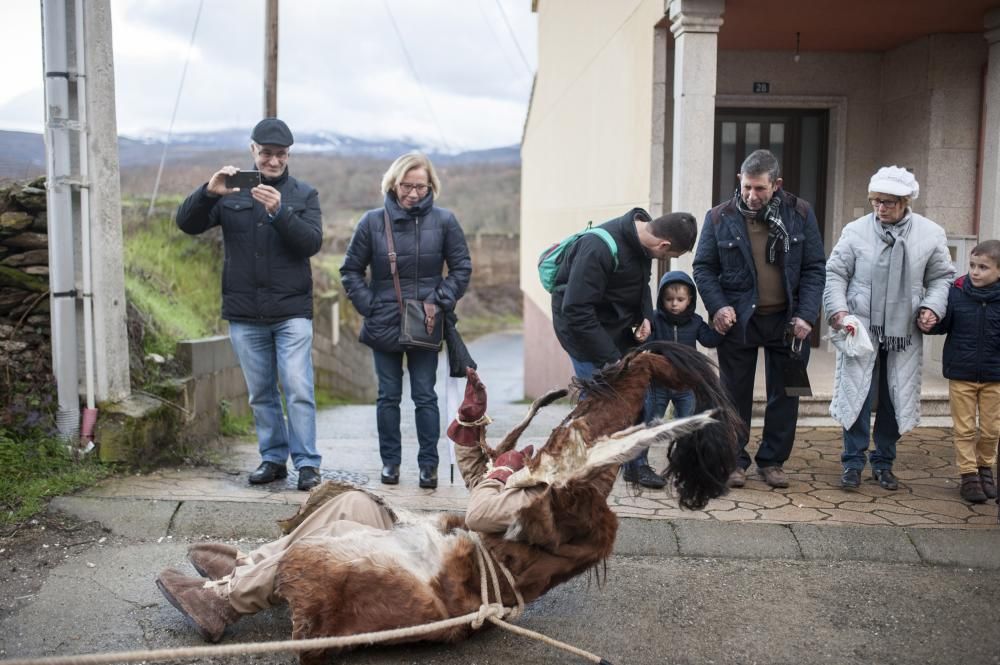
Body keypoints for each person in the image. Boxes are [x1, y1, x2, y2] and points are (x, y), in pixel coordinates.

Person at [176, 118, 323, 491]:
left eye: (281, 155)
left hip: (291, 312)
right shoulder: (230, 193)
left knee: (298, 387)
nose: (273, 161)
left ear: (289, 155)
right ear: (252, 151)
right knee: (260, 392)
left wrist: (280, 213)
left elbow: (310, 244)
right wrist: (208, 192)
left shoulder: (304, 194)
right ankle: (273, 459)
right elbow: (187, 224)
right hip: (245, 314)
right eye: (266, 153)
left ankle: (307, 463)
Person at [693, 149, 826, 489]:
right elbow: (704, 268)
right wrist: (718, 306)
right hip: (740, 321)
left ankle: (773, 461)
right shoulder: (719, 217)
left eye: (760, 189)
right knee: (733, 395)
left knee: (786, 393)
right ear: (740, 180)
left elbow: (813, 268)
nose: (751, 196)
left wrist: (807, 315)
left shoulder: (800, 213)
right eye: (747, 187)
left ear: (776, 185)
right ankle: (734, 460)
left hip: (788, 321)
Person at [340, 152, 472, 489]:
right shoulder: (371, 222)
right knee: (388, 396)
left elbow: (461, 269)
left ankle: (429, 466)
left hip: (425, 324)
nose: (413, 193)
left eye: (421, 187)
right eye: (407, 185)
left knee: (425, 396)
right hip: (383, 322)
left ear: (431, 187)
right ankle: (390, 464)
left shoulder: (445, 221)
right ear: (393, 183)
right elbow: (351, 270)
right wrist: (369, 305)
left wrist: (439, 301)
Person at [824, 166, 954, 491]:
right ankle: (852, 463)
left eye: (889, 202)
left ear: (905, 201)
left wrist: (931, 307)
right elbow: (836, 273)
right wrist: (838, 310)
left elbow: (941, 277)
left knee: (894, 396)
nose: (881, 208)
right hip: (861, 329)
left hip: (903, 331)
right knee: (858, 395)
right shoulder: (855, 231)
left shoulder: (930, 233)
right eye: (876, 201)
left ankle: (884, 462)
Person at [550, 209, 698, 488]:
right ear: (663, 245)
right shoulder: (597, 248)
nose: (664, 260)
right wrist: (613, 361)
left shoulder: (643, 242)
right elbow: (576, 311)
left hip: (616, 330)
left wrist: (646, 317)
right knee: (597, 405)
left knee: (636, 399)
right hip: (583, 335)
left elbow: (642, 285)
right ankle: (576, 475)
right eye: (668, 256)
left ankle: (635, 466)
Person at [926, 240, 1000, 503]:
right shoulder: (957, 292)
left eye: (983, 267)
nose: (975, 272)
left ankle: (985, 470)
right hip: (962, 373)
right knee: (965, 428)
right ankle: (968, 476)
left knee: (992, 429)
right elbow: (943, 324)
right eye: (972, 265)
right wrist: (929, 321)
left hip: (995, 377)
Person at [638, 270, 723, 429]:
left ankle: (682, 453)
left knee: (686, 426)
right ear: (661, 298)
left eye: (680, 299)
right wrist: (640, 335)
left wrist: (720, 331)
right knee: (648, 425)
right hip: (658, 384)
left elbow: (708, 340)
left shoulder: (696, 321)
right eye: (669, 299)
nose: (674, 303)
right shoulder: (654, 319)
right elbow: (645, 343)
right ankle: (641, 454)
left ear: (690, 300)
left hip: (686, 384)